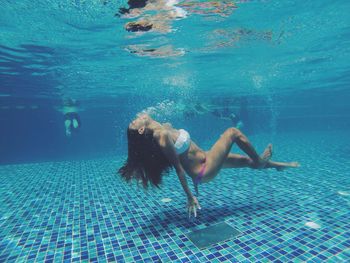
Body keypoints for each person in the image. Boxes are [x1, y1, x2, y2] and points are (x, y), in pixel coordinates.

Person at [118, 114, 299, 218]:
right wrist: (189, 197)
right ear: (141, 130)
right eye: (135, 121)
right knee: (232, 132)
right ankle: (261, 161)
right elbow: (179, 169)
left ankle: (278, 165)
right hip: (203, 171)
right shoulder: (162, 135)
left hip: (206, 158)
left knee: (246, 161)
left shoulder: (163, 127)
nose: (137, 116)